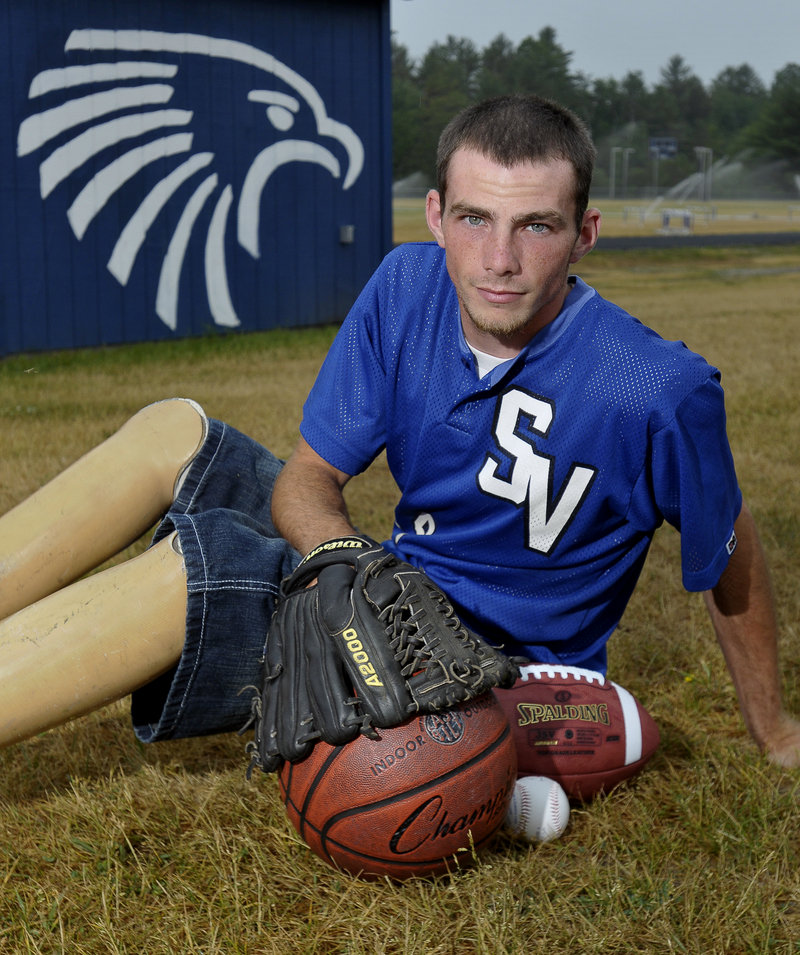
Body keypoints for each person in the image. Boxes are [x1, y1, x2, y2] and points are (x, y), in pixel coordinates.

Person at [1, 94, 799, 769]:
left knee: (202, 568)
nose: (499, 258)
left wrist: (774, 731)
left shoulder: (655, 385)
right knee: (172, 433)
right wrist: (345, 564)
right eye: (475, 218)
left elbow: (732, 551)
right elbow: (308, 477)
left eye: (537, 226)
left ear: (585, 233)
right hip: (384, 584)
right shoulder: (405, 286)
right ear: (436, 216)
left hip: (474, 673)